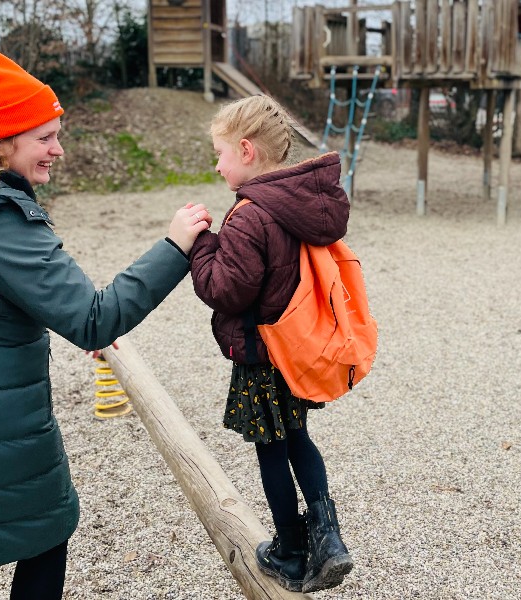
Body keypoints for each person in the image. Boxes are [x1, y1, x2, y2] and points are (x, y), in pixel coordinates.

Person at [0, 44, 212, 598]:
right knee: (45, 535)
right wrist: (175, 246)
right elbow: (93, 318)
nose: (58, 149)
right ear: (2, 139)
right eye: (45, 137)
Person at [188, 95, 354, 593]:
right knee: (298, 436)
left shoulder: (249, 214)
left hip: (261, 354)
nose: (217, 165)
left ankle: (289, 548)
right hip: (296, 349)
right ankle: (329, 538)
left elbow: (225, 289)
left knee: (270, 448)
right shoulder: (301, 203)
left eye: (219, 154)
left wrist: (199, 243)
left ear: (246, 149)